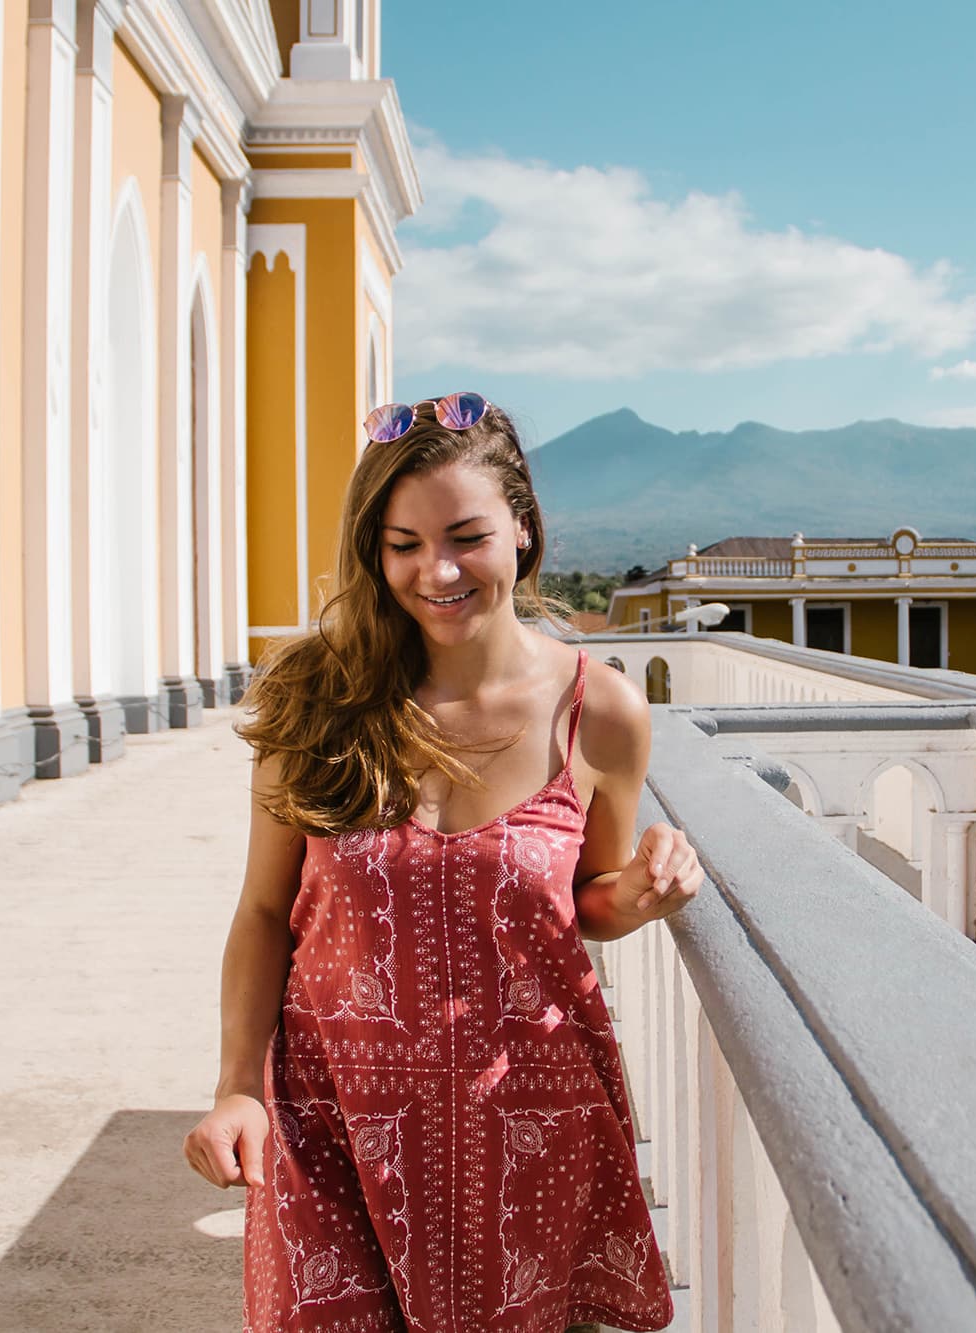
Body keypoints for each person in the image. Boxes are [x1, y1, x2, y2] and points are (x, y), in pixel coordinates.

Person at [181, 392, 699, 1332]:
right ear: (374, 553)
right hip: (331, 1119)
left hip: (526, 1135)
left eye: (467, 535)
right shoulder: (317, 699)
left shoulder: (604, 710)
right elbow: (264, 912)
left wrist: (647, 886)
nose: (438, 569)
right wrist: (236, 1089)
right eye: (404, 543)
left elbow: (583, 901)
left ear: (524, 533)